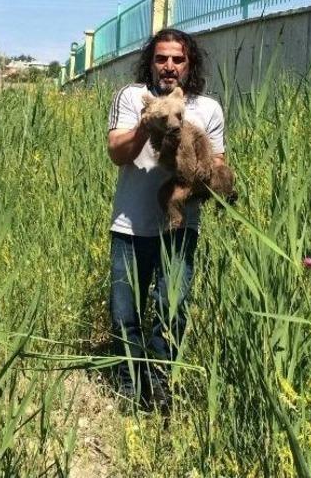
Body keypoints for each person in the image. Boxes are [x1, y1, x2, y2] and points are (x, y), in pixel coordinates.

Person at [106, 28, 226, 409]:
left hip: (179, 226)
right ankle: (128, 388)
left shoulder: (207, 108)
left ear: (189, 64)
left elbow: (217, 161)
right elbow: (117, 153)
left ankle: (159, 391)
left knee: (171, 312)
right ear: (151, 62)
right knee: (126, 312)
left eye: (178, 59)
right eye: (161, 59)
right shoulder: (131, 97)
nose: (169, 67)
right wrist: (149, 121)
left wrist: (199, 175)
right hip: (130, 224)